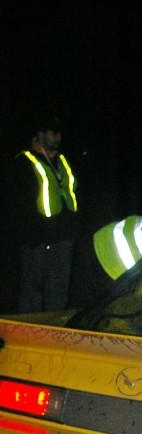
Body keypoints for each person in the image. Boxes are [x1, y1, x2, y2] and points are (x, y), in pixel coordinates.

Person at [10, 114, 81, 313]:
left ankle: (56, 331)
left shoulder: (63, 161)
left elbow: (73, 193)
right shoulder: (24, 161)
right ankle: (30, 333)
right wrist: (31, 237)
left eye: (59, 134)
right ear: (40, 135)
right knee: (33, 290)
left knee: (58, 290)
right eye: (53, 133)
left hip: (64, 236)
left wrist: (73, 228)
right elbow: (18, 203)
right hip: (37, 239)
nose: (57, 138)